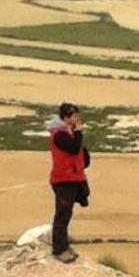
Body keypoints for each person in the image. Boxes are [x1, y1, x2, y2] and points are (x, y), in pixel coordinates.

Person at [47, 101, 91, 262]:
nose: (77, 119)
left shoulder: (69, 132)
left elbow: (80, 152)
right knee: (62, 214)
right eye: (74, 116)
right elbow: (72, 148)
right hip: (63, 179)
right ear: (66, 117)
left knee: (67, 214)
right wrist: (78, 133)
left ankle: (64, 246)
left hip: (72, 178)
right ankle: (59, 249)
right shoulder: (59, 134)